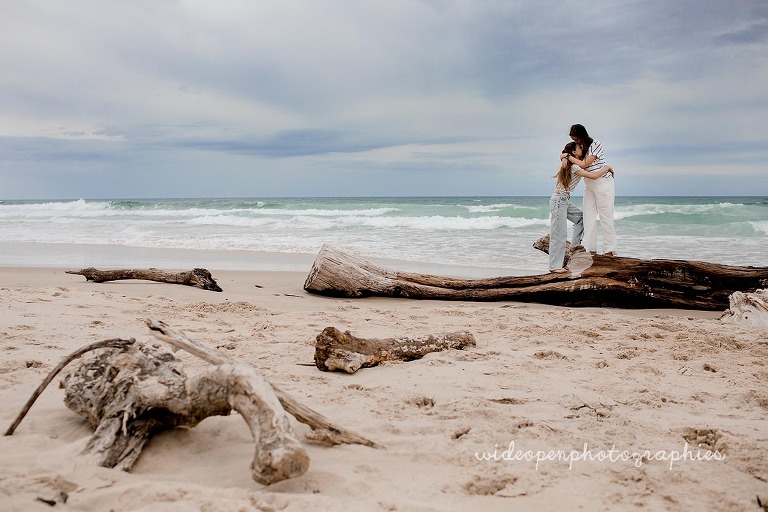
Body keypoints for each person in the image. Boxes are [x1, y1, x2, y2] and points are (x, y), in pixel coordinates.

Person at [549, 142, 614, 273]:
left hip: (564, 200)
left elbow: (564, 156)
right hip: (559, 200)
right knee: (558, 234)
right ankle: (554, 267)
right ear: (573, 152)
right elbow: (594, 176)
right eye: (579, 147)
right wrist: (607, 167)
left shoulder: (570, 162)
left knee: (581, 219)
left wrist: (564, 157)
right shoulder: (573, 166)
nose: (582, 148)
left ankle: (574, 246)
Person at [564, 123, 617, 256]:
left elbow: (584, 164)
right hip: (588, 183)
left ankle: (609, 249)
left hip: (602, 181)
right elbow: (563, 154)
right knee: (588, 215)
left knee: (606, 215)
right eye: (573, 140)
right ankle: (591, 249)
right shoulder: (578, 147)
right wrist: (564, 156)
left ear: (582, 135)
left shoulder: (595, 144)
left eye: (576, 139)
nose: (575, 141)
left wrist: (567, 157)